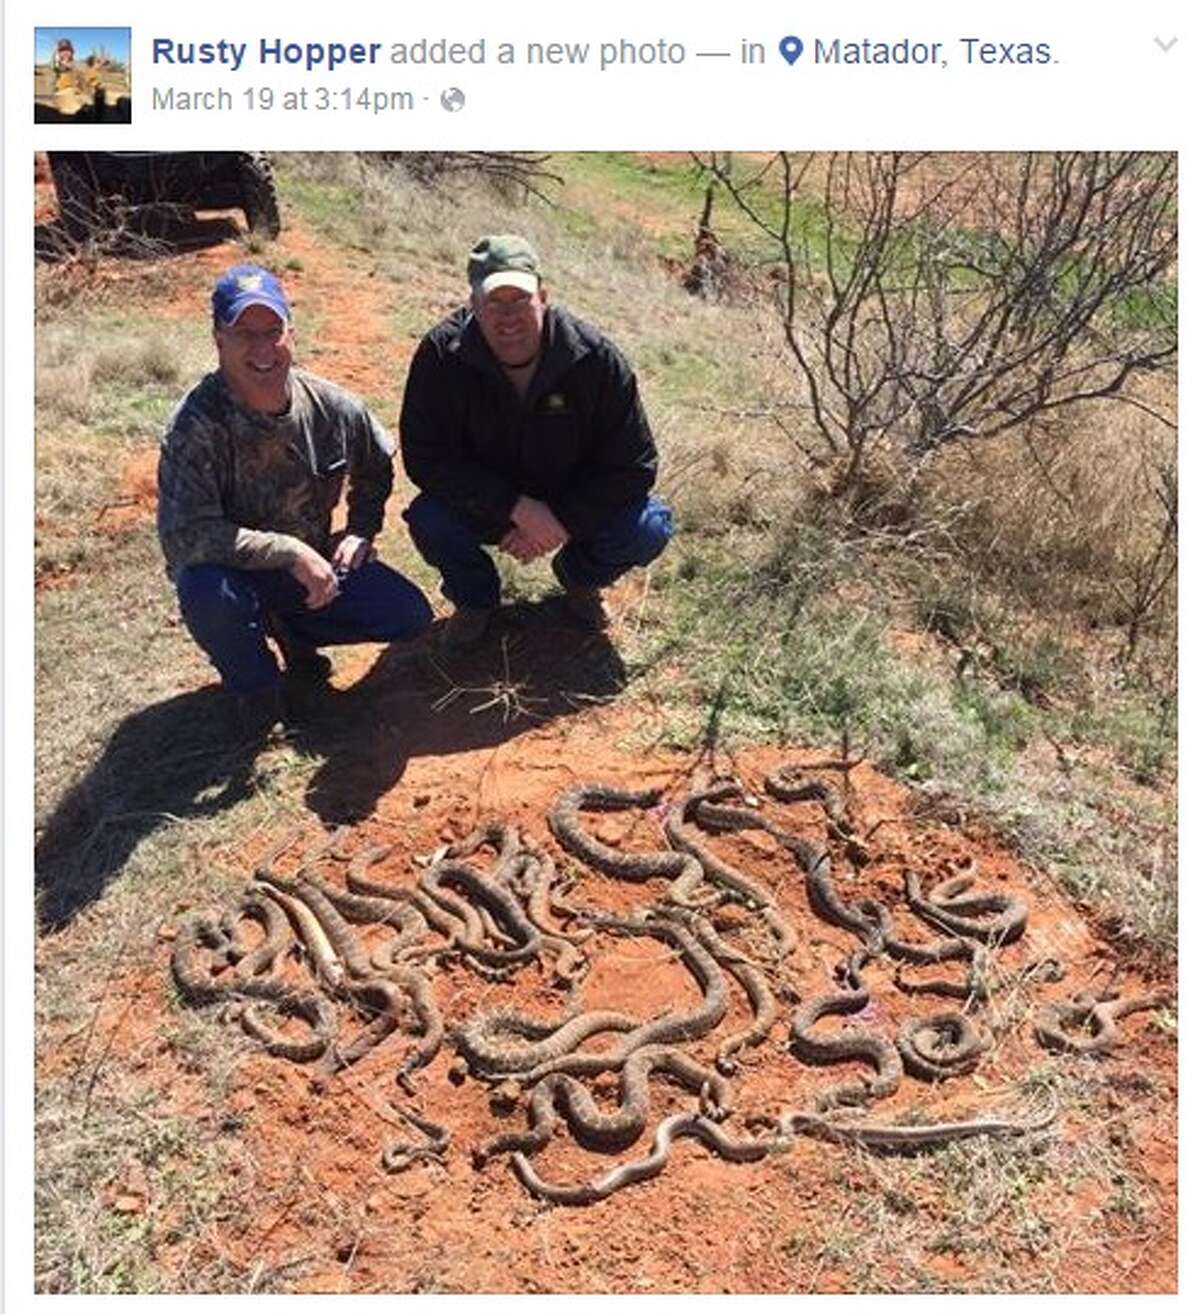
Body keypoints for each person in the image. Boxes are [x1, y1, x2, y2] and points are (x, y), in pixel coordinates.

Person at [158, 264, 432, 736]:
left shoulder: (332, 406)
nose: (263, 349)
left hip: (310, 571)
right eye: (245, 334)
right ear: (219, 339)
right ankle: (257, 689)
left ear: (291, 332)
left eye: (273, 332)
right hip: (233, 577)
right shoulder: (195, 425)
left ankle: (291, 630)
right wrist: (290, 551)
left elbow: (377, 463)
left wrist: (362, 528)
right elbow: (190, 537)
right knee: (205, 590)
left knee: (407, 614)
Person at [400, 234, 672, 651]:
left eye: (520, 301)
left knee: (648, 526)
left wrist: (562, 519)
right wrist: (514, 507)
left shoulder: (595, 358)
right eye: (494, 303)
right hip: (488, 506)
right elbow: (424, 457)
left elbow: (634, 464)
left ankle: (580, 577)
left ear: (543, 297)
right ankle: (475, 600)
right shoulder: (441, 355)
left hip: (568, 505)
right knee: (429, 518)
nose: (508, 318)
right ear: (473, 304)